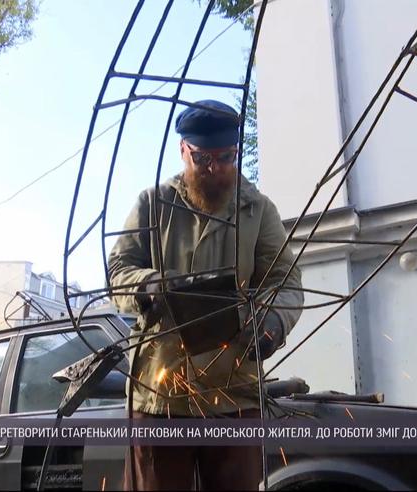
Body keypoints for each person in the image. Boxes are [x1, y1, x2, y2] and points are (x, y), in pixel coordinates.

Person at [108, 99, 303, 491]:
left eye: (226, 157)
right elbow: (118, 271)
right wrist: (149, 285)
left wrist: (272, 322)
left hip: (234, 390)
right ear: (184, 151)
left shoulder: (258, 210)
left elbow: (285, 281)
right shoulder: (153, 205)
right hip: (160, 393)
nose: (215, 168)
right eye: (203, 159)